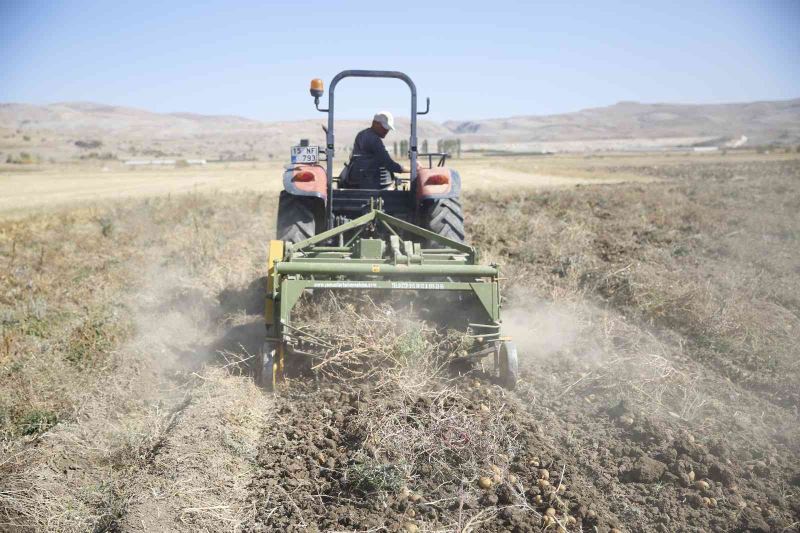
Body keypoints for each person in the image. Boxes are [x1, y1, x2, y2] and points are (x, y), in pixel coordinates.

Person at [344, 111, 411, 189]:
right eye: (384, 127)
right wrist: (411, 169)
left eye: (388, 128)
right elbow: (389, 165)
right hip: (372, 183)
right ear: (374, 123)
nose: (386, 131)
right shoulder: (374, 140)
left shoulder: (362, 134)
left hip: (355, 180)